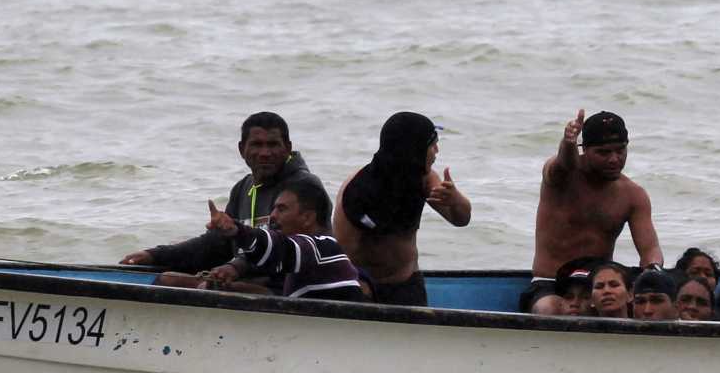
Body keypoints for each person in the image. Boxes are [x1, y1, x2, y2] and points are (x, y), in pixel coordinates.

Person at [123, 111, 311, 272]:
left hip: (288, 289)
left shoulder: (302, 188)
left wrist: (234, 268)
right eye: (256, 145)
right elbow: (217, 246)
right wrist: (154, 255)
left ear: (288, 148)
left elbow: (291, 252)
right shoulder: (242, 189)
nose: (264, 153)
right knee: (168, 270)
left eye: (272, 145)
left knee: (174, 281)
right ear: (241, 149)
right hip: (249, 279)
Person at [333, 111, 471, 307]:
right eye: (432, 145)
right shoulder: (357, 193)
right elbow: (341, 255)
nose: (437, 151)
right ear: (413, 150)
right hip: (362, 288)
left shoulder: (425, 179)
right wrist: (359, 291)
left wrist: (455, 199)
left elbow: (461, 219)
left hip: (408, 284)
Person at [193, 177, 366, 303]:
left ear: (307, 217)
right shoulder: (312, 252)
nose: (273, 216)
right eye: (273, 209)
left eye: (281, 209)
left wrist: (236, 230)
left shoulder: (322, 247)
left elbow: (280, 249)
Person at [533, 108, 659, 276]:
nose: (614, 159)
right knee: (547, 305)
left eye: (620, 150)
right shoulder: (560, 179)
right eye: (603, 152)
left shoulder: (633, 195)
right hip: (551, 282)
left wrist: (653, 270)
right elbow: (565, 164)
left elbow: (650, 250)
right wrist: (567, 144)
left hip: (598, 287)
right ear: (584, 149)